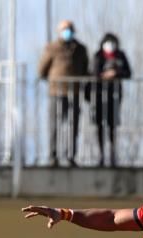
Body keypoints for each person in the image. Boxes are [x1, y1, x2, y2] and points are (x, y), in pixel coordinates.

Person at [38, 20, 89, 167]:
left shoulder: (80, 49)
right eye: (65, 29)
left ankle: (71, 156)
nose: (68, 32)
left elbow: (85, 70)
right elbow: (42, 70)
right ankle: (53, 156)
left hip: (75, 92)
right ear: (59, 31)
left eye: (70, 29)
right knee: (55, 125)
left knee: (73, 126)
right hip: (57, 92)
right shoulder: (52, 48)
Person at [92, 32, 131, 167]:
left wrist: (116, 73)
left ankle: (113, 154)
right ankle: (101, 154)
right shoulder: (98, 56)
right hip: (99, 95)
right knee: (100, 125)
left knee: (112, 125)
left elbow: (128, 72)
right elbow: (94, 73)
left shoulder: (120, 55)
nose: (110, 45)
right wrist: (104, 76)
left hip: (115, 95)